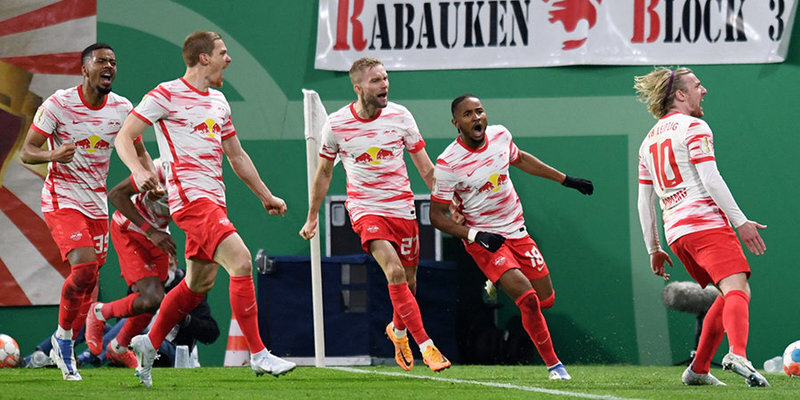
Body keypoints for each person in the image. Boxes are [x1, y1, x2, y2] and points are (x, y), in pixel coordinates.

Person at [113, 31, 294, 387]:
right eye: (223, 52)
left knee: (198, 283)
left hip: (214, 199)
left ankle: (149, 343)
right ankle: (259, 354)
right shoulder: (165, 94)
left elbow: (236, 155)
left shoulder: (219, 102)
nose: (229, 59)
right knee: (241, 261)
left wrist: (266, 195)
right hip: (190, 200)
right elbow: (124, 135)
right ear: (203, 58)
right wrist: (138, 170)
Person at [299, 57, 451, 372]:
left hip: (402, 207)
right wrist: (312, 215)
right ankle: (427, 346)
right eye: (376, 80)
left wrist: (450, 204)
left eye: (385, 78)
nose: (384, 85)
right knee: (393, 272)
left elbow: (426, 168)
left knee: (408, 282)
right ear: (358, 88)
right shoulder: (337, 125)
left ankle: (398, 332)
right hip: (366, 209)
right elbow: (324, 173)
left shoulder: (401, 116)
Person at [429, 94, 593, 380]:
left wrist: (566, 180)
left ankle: (497, 280)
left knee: (545, 300)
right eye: (468, 114)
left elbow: (521, 159)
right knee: (528, 300)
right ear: (456, 123)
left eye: (479, 111)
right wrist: (474, 234)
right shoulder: (448, 163)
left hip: (517, 231)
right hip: (485, 240)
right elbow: (436, 216)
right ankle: (555, 367)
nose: (476, 117)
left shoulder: (500, 136)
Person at [19, 43, 151, 381]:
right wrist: (53, 155)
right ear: (84, 69)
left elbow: (139, 151)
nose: (109, 66)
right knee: (84, 269)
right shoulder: (59, 104)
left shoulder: (122, 108)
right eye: (101, 61)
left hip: (96, 204)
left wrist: (146, 174)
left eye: (113, 62)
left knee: (89, 280)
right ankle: (63, 342)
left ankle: (63, 339)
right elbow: (27, 151)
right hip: (62, 198)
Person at [633, 67, 769, 387]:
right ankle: (737, 354)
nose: (703, 90)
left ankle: (698, 369)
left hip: (677, 234)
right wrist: (741, 222)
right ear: (680, 94)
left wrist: (654, 248)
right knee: (737, 289)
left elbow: (643, 202)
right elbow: (711, 179)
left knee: (727, 294)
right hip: (704, 224)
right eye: (697, 85)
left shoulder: (647, 142)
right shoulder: (694, 127)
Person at [84, 158, 175, 369]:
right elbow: (116, 195)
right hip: (132, 230)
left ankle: (118, 348)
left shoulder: (197, 176)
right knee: (152, 297)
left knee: (153, 302)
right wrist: (151, 231)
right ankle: (99, 312)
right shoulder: (159, 170)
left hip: (159, 234)